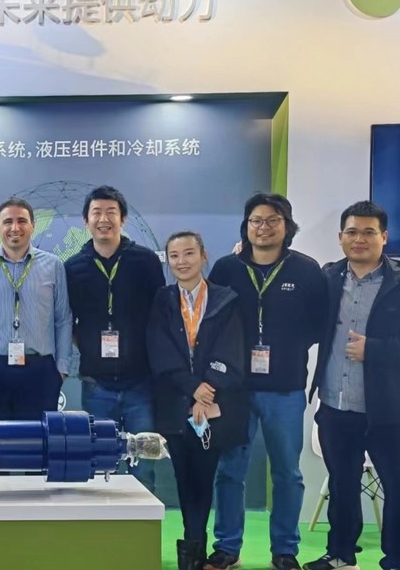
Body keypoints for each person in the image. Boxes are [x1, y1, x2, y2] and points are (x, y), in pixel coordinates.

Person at [304, 201, 400, 570]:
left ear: (384, 236)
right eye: (351, 232)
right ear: (340, 237)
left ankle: (398, 560)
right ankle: (341, 554)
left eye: (368, 232)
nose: (359, 239)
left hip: (389, 409)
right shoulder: (329, 279)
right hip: (335, 405)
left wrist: (374, 350)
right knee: (342, 486)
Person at [205, 193, 327, 570]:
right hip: (235, 389)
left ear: (286, 226)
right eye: (256, 221)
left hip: (285, 388)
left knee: (287, 472)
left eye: (273, 220)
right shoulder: (226, 269)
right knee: (230, 470)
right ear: (246, 227)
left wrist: (287, 347)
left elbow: (319, 325)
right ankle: (227, 546)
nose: (264, 228)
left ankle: (285, 550)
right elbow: (211, 322)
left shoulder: (306, 270)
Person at [147, 231, 250, 570]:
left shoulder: (225, 299)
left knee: (204, 480)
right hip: (176, 404)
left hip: (214, 405)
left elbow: (232, 350)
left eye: (189, 253)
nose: (182, 261)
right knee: (184, 479)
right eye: (174, 256)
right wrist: (192, 387)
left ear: (204, 256)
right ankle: (191, 550)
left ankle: (197, 549)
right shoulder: (162, 300)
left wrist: (208, 388)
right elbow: (160, 351)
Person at [64, 185, 164, 486]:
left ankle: (142, 518)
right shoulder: (73, 267)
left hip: (141, 383)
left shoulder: (145, 261)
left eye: (111, 212)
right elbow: (67, 320)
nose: (103, 219)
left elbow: (160, 316)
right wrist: (89, 347)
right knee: (97, 463)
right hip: (97, 384)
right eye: (96, 212)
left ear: (123, 219)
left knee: (144, 465)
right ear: (86, 220)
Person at [0, 197, 74, 420]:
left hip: (39, 370)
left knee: (37, 439)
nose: (15, 228)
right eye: (8, 222)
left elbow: (63, 319)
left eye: (22, 221)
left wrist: (61, 369)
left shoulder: (53, 265)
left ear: (33, 225)